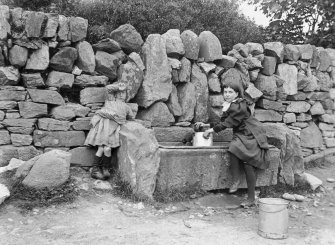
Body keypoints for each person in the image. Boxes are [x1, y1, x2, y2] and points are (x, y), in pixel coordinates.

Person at [195, 82, 269, 208]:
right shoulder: (230, 105)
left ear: (237, 94)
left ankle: (249, 197)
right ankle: (236, 180)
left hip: (251, 133)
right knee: (234, 148)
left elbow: (227, 123)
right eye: (225, 92)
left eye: (230, 92)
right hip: (241, 134)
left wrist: (209, 131)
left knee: (247, 163)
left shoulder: (239, 105)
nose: (227, 94)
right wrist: (206, 125)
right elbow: (222, 122)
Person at [84, 83, 135, 180]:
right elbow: (108, 89)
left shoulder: (127, 107)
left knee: (107, 149)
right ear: (115, 94)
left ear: (126, 95)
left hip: (114, 129)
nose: (121, 95)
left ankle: (105, 168)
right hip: (104, 126)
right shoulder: (110, 100)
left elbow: (131, 118)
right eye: (119, 92)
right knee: (101, 149)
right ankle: (95, 170)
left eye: (123, 93)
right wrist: (120, 87)